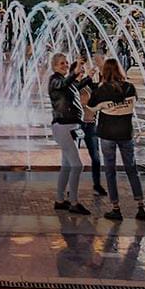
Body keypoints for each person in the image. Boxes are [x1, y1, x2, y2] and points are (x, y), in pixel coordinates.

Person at [90, 57, 145, 221]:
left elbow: (91, 108)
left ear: (105, 72)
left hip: (107, 134)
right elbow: (133, 102)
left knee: (110, 171)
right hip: (125, 134)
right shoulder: (130, 88)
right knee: (132, 169)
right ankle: (140, 206)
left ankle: (116, 208)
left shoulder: (102, 90)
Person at [48, 52, 89, 215]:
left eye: (66, 62)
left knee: (66, 165)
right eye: (61, 63)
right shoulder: (55, 81)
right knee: (77, 165)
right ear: (54, 66)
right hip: (63, 126)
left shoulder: (65, 82)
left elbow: (73, 86)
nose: (65, 65)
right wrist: (74, 72)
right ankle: (73, 202)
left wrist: (88, 77)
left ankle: (60, 200)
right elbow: (64, 83)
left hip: (72, 126)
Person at [80, 54, 107, 197]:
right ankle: (70, 187)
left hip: (90, 125)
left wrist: (102, 68)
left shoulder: (88, 85)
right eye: (79, 68)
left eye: (82, 68)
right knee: (73, 160)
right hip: (76, 125)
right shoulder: (70, 86)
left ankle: (97, 185)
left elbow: (101, 88)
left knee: (96, 157)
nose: (81, 70)